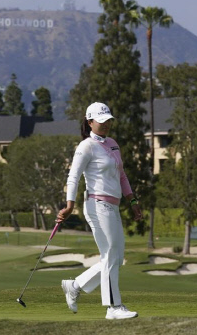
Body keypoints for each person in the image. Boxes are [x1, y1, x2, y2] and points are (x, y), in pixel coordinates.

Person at [56, 102, 143, 320]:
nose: (106, 124)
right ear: (90, 122)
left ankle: (75, 286)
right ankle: (113, 307)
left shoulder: (113, 144)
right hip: (96, 205)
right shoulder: (86, 146)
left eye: (108, 120)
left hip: (113, 206)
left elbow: (122, 176)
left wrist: (133, 201)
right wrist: (69, 205)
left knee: (116, 256)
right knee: (111, 255)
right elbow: (73, 176)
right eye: (101, 121)